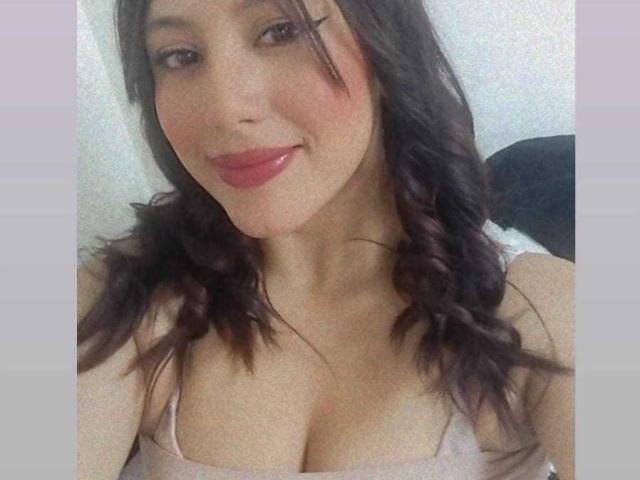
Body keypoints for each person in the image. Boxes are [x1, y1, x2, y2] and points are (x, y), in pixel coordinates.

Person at [77, 0, 575, 479]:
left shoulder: (540, 313)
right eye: (179, 56)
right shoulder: (122, 303)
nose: (225, 110)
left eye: (280, 31)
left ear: (384, 38)